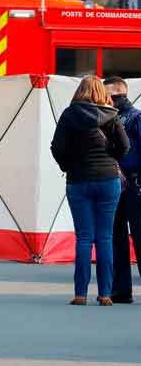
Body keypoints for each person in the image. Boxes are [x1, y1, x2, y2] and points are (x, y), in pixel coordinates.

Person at [51, 75, 129, 306]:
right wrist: (110, 158)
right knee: (105, 237)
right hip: (107, 180)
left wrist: (68, 165)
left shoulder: (69, 115)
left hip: (78, 181)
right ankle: (105, 294)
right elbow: (125, 147)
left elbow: (57, 148)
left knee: (84, 238)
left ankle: (80, 294)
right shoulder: (112, 115)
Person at [104, 76, 141, 303]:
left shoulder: (134, 118)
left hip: (130, 182)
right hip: (124, 182)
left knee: (122, 237)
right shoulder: (132, 117)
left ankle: (120, 290)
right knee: (121, 237)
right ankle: (120, 290)